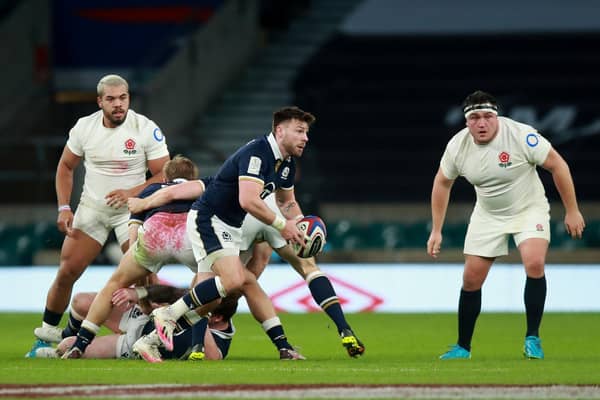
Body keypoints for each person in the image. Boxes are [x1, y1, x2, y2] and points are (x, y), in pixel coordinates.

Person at [62, 156, 304, 361]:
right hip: (188, 234)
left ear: (166, 177)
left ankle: (79, 344)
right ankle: (278, 344)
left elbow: (134, 235)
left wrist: (142, 288)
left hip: (155, 232)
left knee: (114, 284)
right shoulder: (201, 186)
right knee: (225, 284)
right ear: (192, 177)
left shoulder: (152, 190)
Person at [427, 90, 585, 360]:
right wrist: (437, 229)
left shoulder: (522, 135)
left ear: (496, 117)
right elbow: (442, 182)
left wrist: (572, 210)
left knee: (534, 262)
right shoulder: (457, 146)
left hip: (528, 209)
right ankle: (462, 347)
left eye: (488, 116)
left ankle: (532, 338)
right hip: (488, 215)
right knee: (471, 279)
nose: (482, 123)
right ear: (466, 122)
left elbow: (558, 165)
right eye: (474, 117)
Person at [150, 107, 313, 360]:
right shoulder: (257, 154)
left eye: (307, 132)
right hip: (210, 219)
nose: (306, 138)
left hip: (229, 226)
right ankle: (169, 314)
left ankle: (150, 340)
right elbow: (248, 200)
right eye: (300, 131)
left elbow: (286, 202)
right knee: (236, 281)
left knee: (209, 298)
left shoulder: (287, 164)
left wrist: (303, 226)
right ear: (280, 131)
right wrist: (283, 226)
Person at [133, 185, 365, 358]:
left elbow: (176, 191)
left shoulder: (235, 181)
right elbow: (261, 260)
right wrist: (241, 284)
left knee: (208, 289)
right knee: (307, 269)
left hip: (217, 226)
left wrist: (143, 204)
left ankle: (189, 345)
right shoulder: (279, 178)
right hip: (245, 222)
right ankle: (339, 328)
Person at [28, 74, 170, 357]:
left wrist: (132, 192)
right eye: (111, 99)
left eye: (123, 98)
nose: (118, 104)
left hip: (131, 212)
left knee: (146, 275)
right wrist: (64, 207)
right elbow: (65, 167)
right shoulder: (84, 127)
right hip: (93, 208)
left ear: (128, 97)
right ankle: (44, 338)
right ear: (99, 101)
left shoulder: (145, 128)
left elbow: (164, 173)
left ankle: (151, 334)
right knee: (67, 271)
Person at [33, 287, 237, 361]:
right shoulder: (201, 295)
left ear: (217, 318)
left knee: (68, 347)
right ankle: (65, 331)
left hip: (131, 344)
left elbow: (213, 357)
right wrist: (140, 295)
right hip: (140, 317)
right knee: (82, 301)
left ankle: (58, 348)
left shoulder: (219, 342)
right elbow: (171, 292)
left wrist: (201, 312)